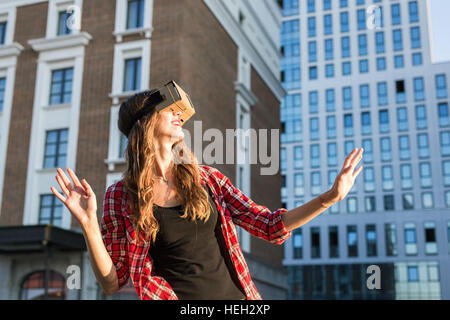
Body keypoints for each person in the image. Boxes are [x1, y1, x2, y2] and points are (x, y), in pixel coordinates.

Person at [51, 89, 364, 300]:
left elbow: (268, 225)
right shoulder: (120, 197)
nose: (179, 115)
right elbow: (111, 282)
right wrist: (89, 224)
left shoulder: (207, 179)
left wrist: (329, 198)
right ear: (145, 121)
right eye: (169, 110)